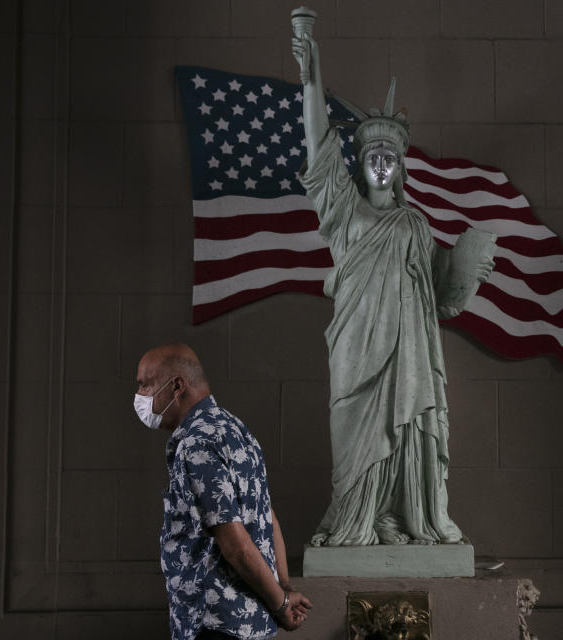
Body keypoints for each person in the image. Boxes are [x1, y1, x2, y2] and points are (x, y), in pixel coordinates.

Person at [291, 33, 495, 548]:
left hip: (407, 350)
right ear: (359, 166)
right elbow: (317, 148)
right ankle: (355, 518)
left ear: (400, 167)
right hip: (356, 347)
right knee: (352, 441)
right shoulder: (344, 213)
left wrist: (470, 265)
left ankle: (400, 517)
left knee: (406, 431)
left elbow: (440, 299)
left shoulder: (417, 225)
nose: (381, 163)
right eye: (372, 155)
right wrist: (309, 76)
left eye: (390, 156)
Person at [134, 344, 312, 640]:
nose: (140, 395)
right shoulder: (237, 430)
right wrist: (283, 586)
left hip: (215, 623)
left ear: (177, 385)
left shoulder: (197, 443)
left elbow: (236, 545)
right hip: (251, 624)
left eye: (145, 384)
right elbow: (267, 516)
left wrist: (281, 604)